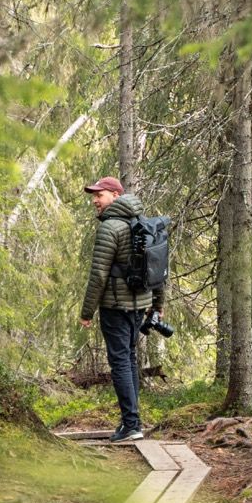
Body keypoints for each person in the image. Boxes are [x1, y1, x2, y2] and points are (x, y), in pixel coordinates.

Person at [79, 176, 165, 442]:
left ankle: (131, 425)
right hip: (138, 305)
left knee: (121, 363)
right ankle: (133, 422)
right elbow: (160, 269)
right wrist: (157, 305)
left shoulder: (110, 227)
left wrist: (86, 312)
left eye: (99, 195)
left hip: (115, 305)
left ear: (115, 195)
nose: (95, 200)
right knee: (128, 360)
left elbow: (99, 274)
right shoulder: (143, 222)